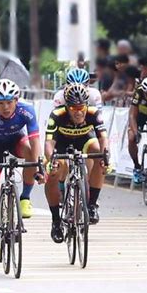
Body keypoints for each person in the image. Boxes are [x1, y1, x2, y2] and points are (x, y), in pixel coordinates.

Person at [0, 79, 44, 261]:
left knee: (30, 152)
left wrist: (39, 166)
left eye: (9, 102)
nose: (5, 107)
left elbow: (35, 140)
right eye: (0, 103)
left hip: (15, 141)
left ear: (16, 100)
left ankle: (25, 198)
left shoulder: (26, 111)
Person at [44, 84, 109, 243]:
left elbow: (103, 139)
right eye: (73, 108)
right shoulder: (57, 114)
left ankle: (92, 205)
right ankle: (56, 221)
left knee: (100, 158)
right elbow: (49, 143)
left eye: (81, 107)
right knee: (54, 172)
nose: (78, 112)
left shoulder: (94, 113)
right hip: (61, 143)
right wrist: (51, 159)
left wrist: (106, 156)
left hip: (84, 140)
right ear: (66, 106)